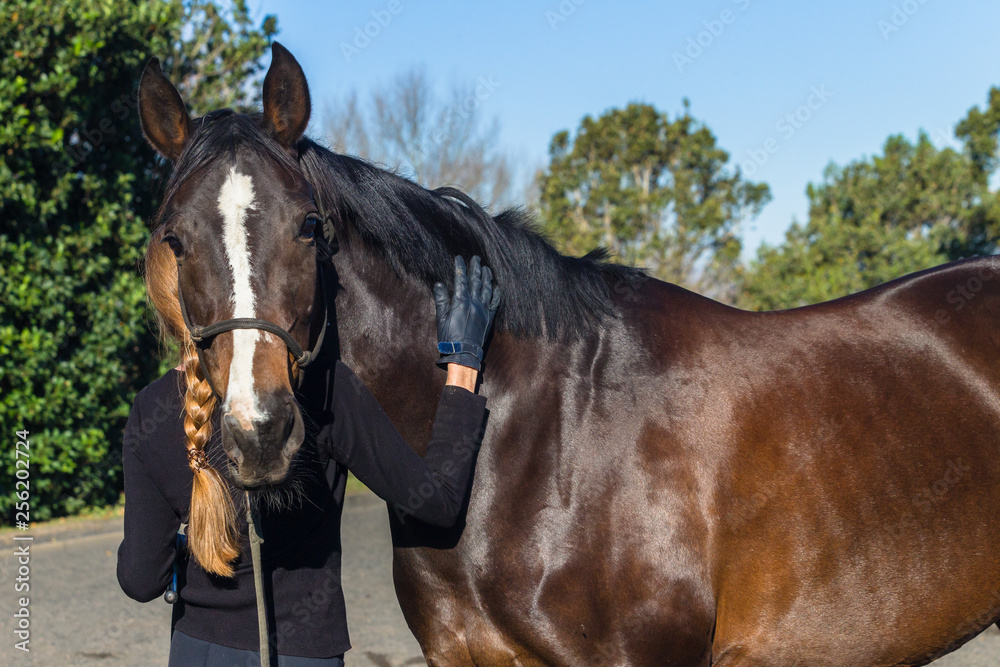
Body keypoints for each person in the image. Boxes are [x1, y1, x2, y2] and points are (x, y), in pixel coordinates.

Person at [117, 255, 500, 666]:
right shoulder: (324, 389)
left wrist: (193, 540)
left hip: (198, 652)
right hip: (307, 653)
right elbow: (436, 503)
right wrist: (463, 364)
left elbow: (141, 580)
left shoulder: (150, 409)